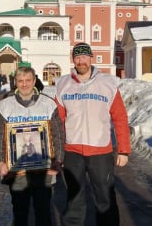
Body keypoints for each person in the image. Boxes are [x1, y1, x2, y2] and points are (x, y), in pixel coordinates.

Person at [55, 42, 131, 226]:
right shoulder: (63, 84)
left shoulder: (108, 83)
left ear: (91, 58)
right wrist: (58, 152)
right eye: (77, 57)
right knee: (75, 197)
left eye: (84, 57)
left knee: (105, 197)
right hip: (72, 151)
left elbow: (120, 118)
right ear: (73, 60)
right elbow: (58, 122)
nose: (81, 61)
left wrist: (123, 150)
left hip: (101, 152)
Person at [0, 67, 65, 226]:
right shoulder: (5, 106)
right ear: (15, 82)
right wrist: (0, 161)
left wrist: (58, 160)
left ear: (34, 81)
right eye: (20, 81)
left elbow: (58, 135)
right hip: (17, 170)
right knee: (20, 212)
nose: (24, 84)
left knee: (43, 212)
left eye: (28, 80)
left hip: (43, 170)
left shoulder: (47, 104)